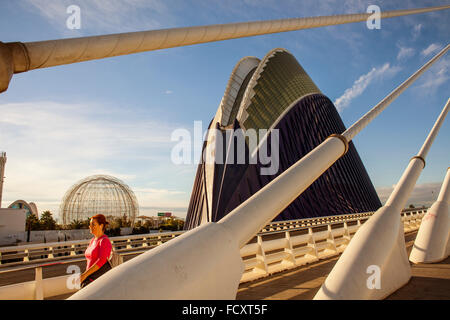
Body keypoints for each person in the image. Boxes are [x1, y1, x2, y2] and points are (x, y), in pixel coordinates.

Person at [80, 214, 112, 288]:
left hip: (97, 280)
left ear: (101, 226)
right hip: (89, 277)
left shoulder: (104, 241)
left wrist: (84, 275)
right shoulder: (92, 240)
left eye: (93, 224)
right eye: (90, 224)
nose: (90, 226)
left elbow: (101, 261)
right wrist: (85, 275)